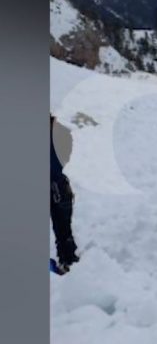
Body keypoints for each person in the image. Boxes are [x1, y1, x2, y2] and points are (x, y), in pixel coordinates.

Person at [51, 115, 78, 273]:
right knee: (63, 230)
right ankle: (68, 261)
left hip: (57, 187)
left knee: (63, 230)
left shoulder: (60, 130)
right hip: (57, 185)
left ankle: (68, 262)